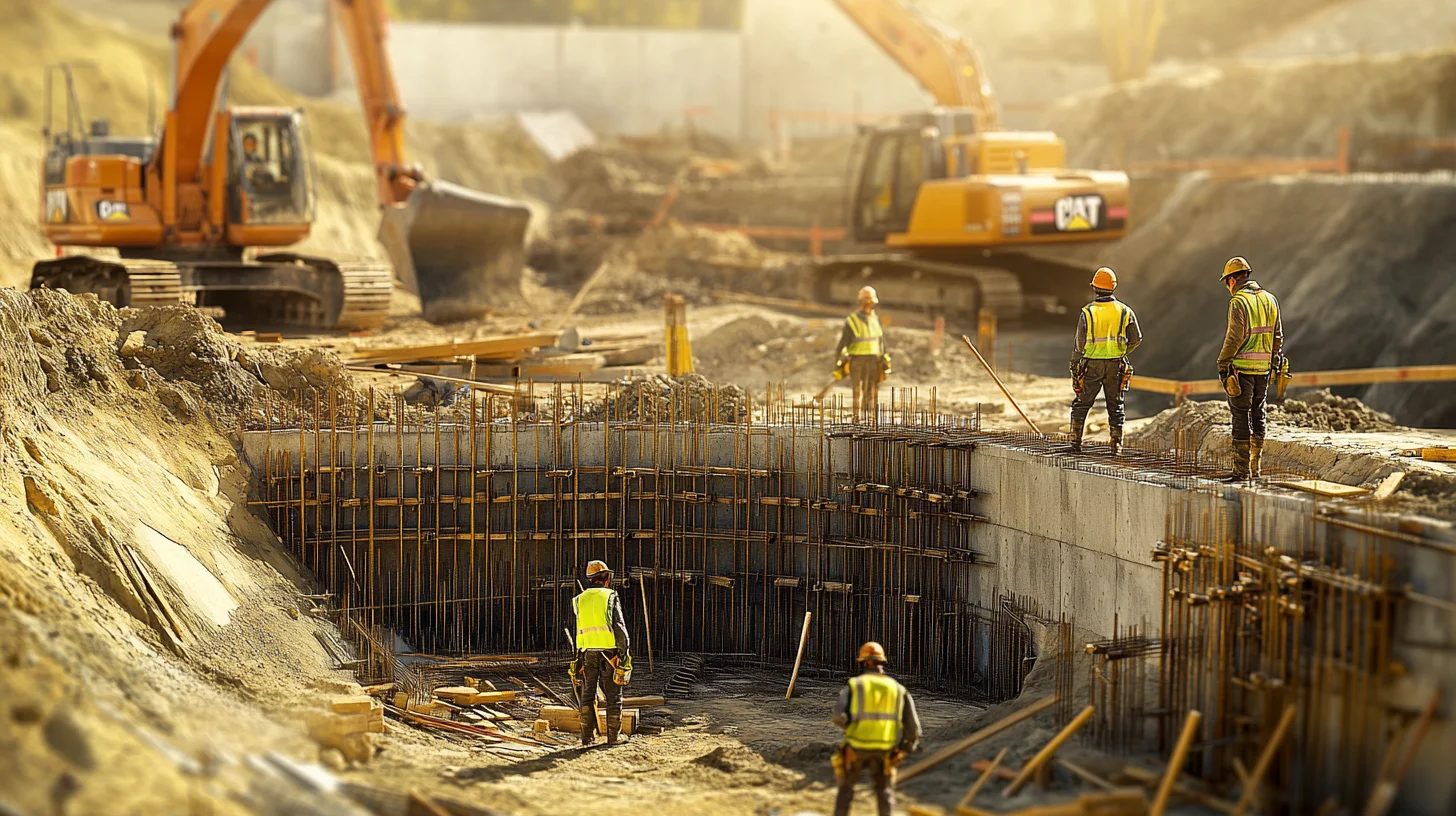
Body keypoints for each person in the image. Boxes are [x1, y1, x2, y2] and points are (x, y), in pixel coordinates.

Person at [831, 641, 922, 816]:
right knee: (884, 791)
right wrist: (905, 748)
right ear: (882, 662)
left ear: (864, 662)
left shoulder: (855, 685)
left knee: (846, 789)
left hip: (857, 748)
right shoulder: (898, 689)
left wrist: (852, 725)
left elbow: (838, 717)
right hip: (885, 750)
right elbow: (913, 728)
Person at [1217, 256, 1283, 480]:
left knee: (1240, 416)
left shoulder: (1239, 301)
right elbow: (1277, 337)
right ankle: (1256, 467)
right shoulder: (1270, 299)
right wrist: (1272, 362)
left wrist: (1223, 363)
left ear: (1233, 279)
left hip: (1242, 370)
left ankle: (1240, 471)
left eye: (1227, 282)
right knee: (1258, 413)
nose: (1228, 287)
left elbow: (1234, 337)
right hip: (1263, 370)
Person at [1068, 266, 1142, 454]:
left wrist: (1074, 365)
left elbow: (1079, 344)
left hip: (1092, 364)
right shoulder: (1125, 311)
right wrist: (1122, 351)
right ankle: (1116, 446)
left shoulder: (1088, 312)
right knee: (1115, 405)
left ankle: (1075, 443)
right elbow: (1136, 339)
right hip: (1115, 364)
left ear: (1094, 288)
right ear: (1114, 287)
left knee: (1082, 403)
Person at [571, 560, 631, 746]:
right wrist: (624, 654)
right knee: (614, 695)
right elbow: (619, 627)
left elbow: (580, 628)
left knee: (587, 695)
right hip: (609, 653)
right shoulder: (610, 596)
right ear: (606, 577)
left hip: (587, 653)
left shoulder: (579, 600)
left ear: (590, 579)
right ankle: (613, 737)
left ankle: (586, 737)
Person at [836, 285, 892, 421]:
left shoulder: (875, 319)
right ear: (861, 301)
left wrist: (885, 360)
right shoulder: (852, 320)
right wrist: (839, 362)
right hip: (857, 360)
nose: (868, 303)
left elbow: (880, 341)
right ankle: (856, 419)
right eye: (865, 300)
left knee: (871, 391)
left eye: (869, 300)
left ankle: (869, 420)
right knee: (857, 390)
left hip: (874, 360)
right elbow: (843, 343)